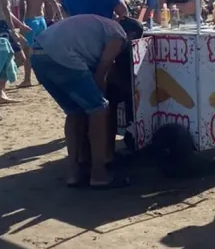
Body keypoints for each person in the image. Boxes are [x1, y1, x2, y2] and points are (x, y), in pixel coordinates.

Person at [30, 14, 143, 188]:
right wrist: (102, 100)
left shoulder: (102, 25)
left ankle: (74, 173)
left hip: (38, 54)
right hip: (63, 56)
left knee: (75, 112)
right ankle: (98, 174)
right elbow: (103, 70)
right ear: (133, 35)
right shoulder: (119, 35)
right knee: (98, 110)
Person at [18, 0, 61, 88]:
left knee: (27, 51)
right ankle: (43, 77)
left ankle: (27, 79)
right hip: (41, 20)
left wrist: (22, 22)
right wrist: (60, 17)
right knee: (41, 51)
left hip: (30, 20)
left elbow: (24, 4)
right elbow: (53, 2)